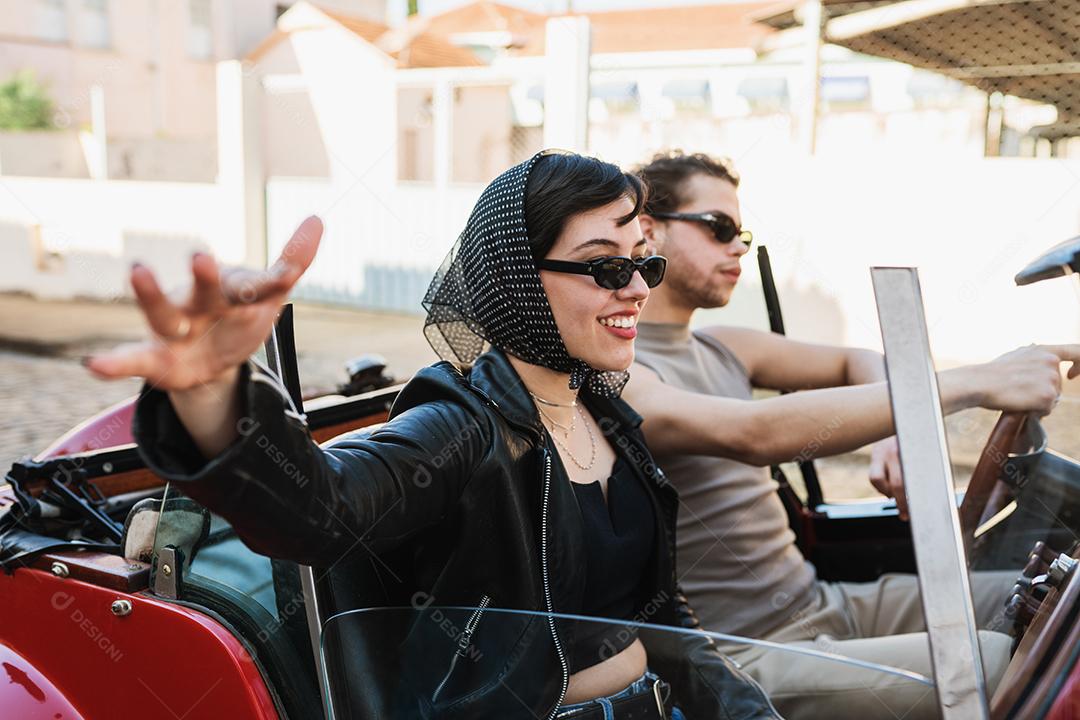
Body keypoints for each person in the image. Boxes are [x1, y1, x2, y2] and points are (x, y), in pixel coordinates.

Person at [84, 150, 781, 720]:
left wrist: (746, 711)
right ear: (516, 277)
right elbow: (323, 508)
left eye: (643, 263)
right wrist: (215, 389)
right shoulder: (460, 426)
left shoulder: (610, 415)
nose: (635, 289)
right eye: (606, 265)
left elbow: (662, 614)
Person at [622, 150, 1080, 720]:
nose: (738, 246)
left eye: (740, 232)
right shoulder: (622, 374)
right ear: (649, 230)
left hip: (823, 605)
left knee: (1056, 595)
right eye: (718, 228)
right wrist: (977, 383)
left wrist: (894, 432)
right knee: (994, 660)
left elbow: (859, 362)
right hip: (742, 655)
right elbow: (752, 433)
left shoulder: (725, 347)